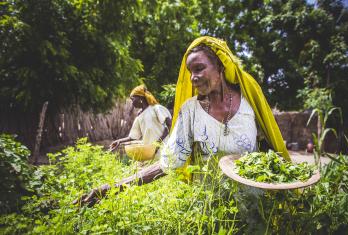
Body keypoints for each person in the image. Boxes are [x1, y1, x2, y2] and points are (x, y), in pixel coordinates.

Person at [74, 36, 290, 206]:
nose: (193, 77)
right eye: (190, 71)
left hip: (254, 208)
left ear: (221, 67)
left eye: (199, 68)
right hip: (209, 210)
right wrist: (111, 187)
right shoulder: (191, 112)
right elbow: (168, 163)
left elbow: (271, 151)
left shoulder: (249, 104)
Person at [109, 85, 172, 153]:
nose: (132, 103)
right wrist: (119, 141)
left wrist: (158, 142)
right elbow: (133, 136)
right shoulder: (139, 116)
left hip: (164, 150)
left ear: (140, 98)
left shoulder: (156, 108)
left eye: (133, 99)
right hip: (150, 152)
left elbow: (169, 125)